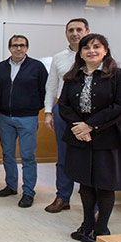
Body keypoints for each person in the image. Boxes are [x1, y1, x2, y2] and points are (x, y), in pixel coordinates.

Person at [59, 33, 121, 242]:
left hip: (106, 136)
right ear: (81, 53)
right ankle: (87, 223)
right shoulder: (72, 76)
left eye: (97, 47)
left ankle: (101, 227)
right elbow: (64, 106)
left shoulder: (117, 76)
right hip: (79, 137)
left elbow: (119, 106)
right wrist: (79, 127)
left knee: (104, 184)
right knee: (85, 183)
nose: (91, 51)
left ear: (105, 50)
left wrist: (91, 125)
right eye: (86, 48)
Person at [0, 35, 48, 208]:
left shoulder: (37, 67)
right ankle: (11, 185)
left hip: (28, 118)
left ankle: (28, 192)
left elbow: (45, 90)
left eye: (22, 45)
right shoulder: (1, 67)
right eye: (15, 45)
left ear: (27, 47)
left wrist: (33, 108)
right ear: (9, 48)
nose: (19, 48)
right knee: (7, 154)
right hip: (4, 117)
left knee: (27, 156)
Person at [44, 18, 90, 213]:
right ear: (66, 34)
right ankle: (63, 197)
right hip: (63, 110)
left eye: (79, 29)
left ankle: (94, 202)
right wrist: (48, 112)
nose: (75, 33)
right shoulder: (59, 57)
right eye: (71, 30)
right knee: (63, 155)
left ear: (87, 31)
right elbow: (51, 86)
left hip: (89, 113)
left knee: (91, 157)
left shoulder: (96, 55)